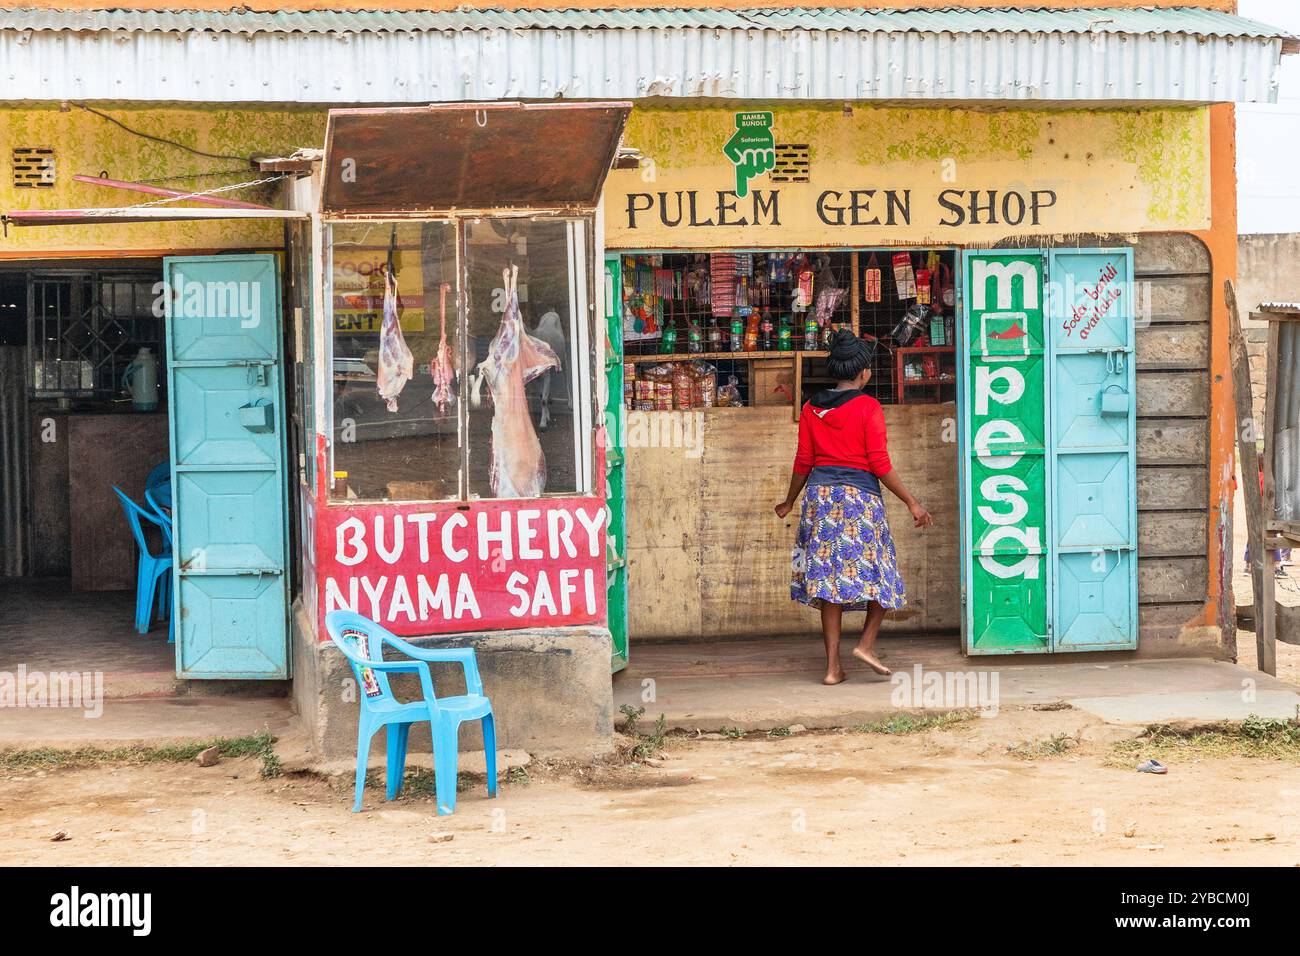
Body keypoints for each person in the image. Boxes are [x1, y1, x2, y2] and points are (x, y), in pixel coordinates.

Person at [775, 329, 932, 685]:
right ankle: (866, 644)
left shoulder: (811, 407)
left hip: (819, 500)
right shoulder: (867, 406)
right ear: (864, 372)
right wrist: (912, 502)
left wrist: (789, 501)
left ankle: (832, 668)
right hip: (859, 501)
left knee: (829, 584)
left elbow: (803, 460)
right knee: (883, 575)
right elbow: (879, 463)